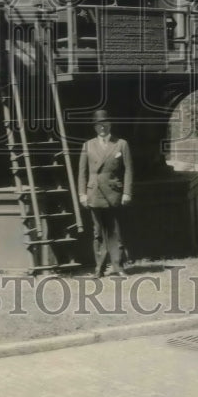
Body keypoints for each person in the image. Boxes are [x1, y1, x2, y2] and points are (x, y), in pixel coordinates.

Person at [78, 108, 133, 276]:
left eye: (105, 123)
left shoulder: (121, 144)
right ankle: (99, 267)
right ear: (94, 127)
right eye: (98, 124)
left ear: (110, 124)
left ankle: (118, 265)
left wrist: (127, 192)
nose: (102, 127)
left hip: (114, 193)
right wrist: (82, 194)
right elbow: (82, 172)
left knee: (115, 230)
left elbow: (128, 170)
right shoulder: (87, 145)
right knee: (98, 231)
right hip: (94, 193)